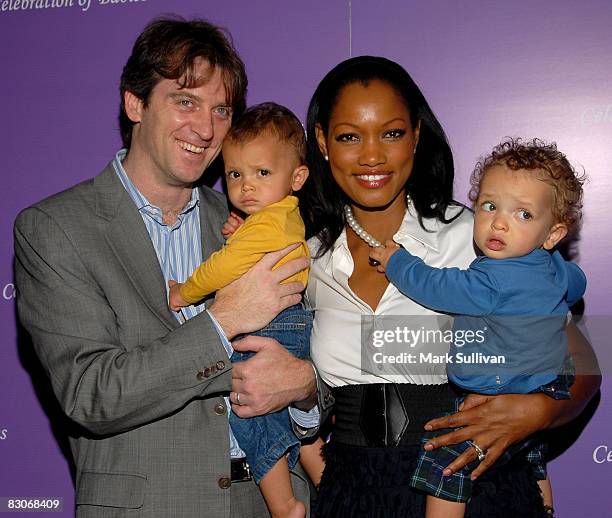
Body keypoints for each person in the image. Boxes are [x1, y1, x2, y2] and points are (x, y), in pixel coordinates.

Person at [14, 18, 322, 518]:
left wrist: (306, 387)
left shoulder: (252, 224)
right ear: (135, 103)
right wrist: (221, 323)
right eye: (185, 101)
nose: (205, 129)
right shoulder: (56, 229)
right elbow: (91, 396)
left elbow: (310, 355)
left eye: (221, 109)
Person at [298, 55, 601, 517]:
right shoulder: (308, 258)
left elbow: (581, 366)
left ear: (417, 135)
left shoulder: (480, 238)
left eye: (392, 133)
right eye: (349, 137)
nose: (372, 155)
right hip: (354, 488)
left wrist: (537, 413)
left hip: (470, 482)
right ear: (322, 142)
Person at [369, 138, 587, 517]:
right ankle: (545, 507)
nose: (498, 222)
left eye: (522, 215)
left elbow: (435, 286)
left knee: (447, 464)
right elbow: (577, 282)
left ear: (553, 234)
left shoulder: (492, 280)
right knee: (530, 455)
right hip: (547, 384)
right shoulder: (553, 267)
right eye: (489, 206)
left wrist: (397, 261)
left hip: (496, 392)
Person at [168, 102, 324, 518]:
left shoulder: (268, 224)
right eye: (235, 174)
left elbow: (225, 268)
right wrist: (244, 233)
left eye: (262, 173)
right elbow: (259, 247)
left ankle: (284, 504)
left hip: (271, 326)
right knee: (277, 411)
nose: (246, 186)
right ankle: (317, 466)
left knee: (247, 413)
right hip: (289, 323)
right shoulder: (279, 217)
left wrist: (185, 292)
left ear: (297, 177)